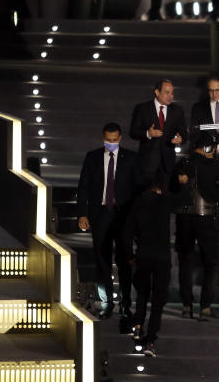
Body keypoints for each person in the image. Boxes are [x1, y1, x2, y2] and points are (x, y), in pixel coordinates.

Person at [172, 131, 219, 320]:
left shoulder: (182, 164)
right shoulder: (213, 166)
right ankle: (205, 308)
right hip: (207, 219)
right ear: (208, 148)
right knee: (211, 264)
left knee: (185, 263)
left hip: (184, 218)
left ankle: (186, 306)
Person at [76, 122, 139, 319]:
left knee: (124, 261)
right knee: (101, 260)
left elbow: (137, 189)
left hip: (123, 217)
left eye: (114, 140)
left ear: (119, 138)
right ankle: (106, 303)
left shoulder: (131, 158)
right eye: (107, 140)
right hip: (100, 214)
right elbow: (83, 187)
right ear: (103, 138)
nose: (111, 143)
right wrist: (82, 214)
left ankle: (126, 303)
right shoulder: (93, 158)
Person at [122, 179, 173, 357]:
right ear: (159, 189)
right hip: (162, 256)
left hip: (143, 255)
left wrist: (129, 256)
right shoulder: (166, 202)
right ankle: (150, 341)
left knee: (142, 293)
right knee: (158, 300)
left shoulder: (137, 203)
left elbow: (126, 234)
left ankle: (137, 327)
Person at [129, 79, 187, 189]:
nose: (170, 96)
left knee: (164, 199)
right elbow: (133, 132)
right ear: (157, 92)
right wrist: (148, 133)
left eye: (172, 93)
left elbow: (184, 134)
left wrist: (181, 139)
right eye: (167, 92)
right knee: (146, 198)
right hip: (147, 163)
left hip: (167, 163)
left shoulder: (177, 111)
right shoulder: (142, 109)